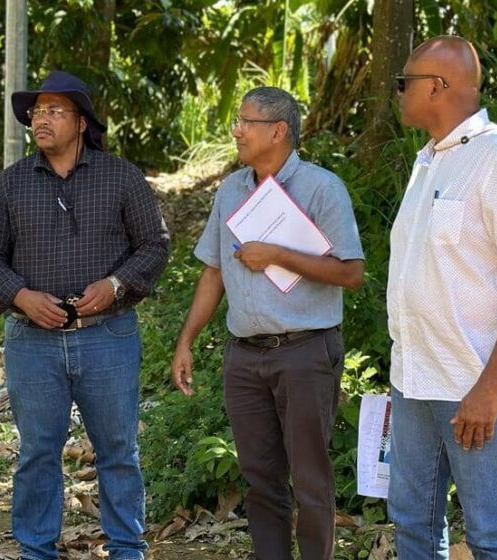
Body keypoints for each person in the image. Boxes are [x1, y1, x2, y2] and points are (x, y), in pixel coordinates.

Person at [0, 70, 170, 560]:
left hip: (108, 336)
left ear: (82, 123)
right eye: (37, 111)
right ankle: (36, 551)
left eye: (55, 110)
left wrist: (116, 284)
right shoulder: (10, 184)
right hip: (32, 341)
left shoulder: (120, 175)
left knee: (118, 451)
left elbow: (155, 245)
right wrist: (20, 296)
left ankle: (127, 548)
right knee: (38, 453)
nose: (42, 118)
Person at [170, 86, 364, 560]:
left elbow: (351, 273)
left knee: (311, 480)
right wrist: (186, 340)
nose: (236, 131)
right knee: (260, 479)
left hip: (304, 352)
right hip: (244, 356)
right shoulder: (232, 190)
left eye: (246, 122)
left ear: (278, 131)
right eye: (237, 122)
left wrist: (279, 254)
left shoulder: (322, 188)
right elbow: (214, 270)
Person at [387, 36, 497, 559]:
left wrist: (490, 386)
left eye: (404, 82)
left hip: (471, 384)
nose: (398, 93)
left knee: (489, 533)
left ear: (439, 86)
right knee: (413, 522)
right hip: (412, 377)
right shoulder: (428, 161)